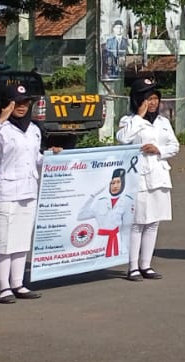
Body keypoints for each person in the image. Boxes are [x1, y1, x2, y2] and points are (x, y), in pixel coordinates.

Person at [0, 84, 48, 303]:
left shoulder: (33, 129)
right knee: (3, 240)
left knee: (21, 240)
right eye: (16, 103)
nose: (22, 107)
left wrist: (53, 157)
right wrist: (1, 119)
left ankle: (18, 283)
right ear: (7, 103)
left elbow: (36, 159)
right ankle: (3, 287)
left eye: (25, 103)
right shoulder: (0, 129)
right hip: (5, 192)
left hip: (28, 191)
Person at [117, 77, 178, 280]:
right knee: (137, 222)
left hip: (159, 175)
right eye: (147, 98)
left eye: (155, 98)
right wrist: (139, 116)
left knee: (153, 222)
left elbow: (174, 146)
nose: (152, 103)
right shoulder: (128, 121)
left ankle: (146, 265)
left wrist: (159, 149)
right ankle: (133, 266)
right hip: (138, 177)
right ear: (137, 100)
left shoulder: (163, 122)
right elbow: (123, 139)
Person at [76, 168, 133, 262]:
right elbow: (80, 216)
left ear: (123, 183)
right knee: (95, 264)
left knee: (113, 262)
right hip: (100, 241)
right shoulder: (100, 202)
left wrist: (125, 248)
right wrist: (92, 196)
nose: (115, 186)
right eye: (112, 183)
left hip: (116, 239)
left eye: (118, 182)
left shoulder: (127, 201)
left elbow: (126, 228)